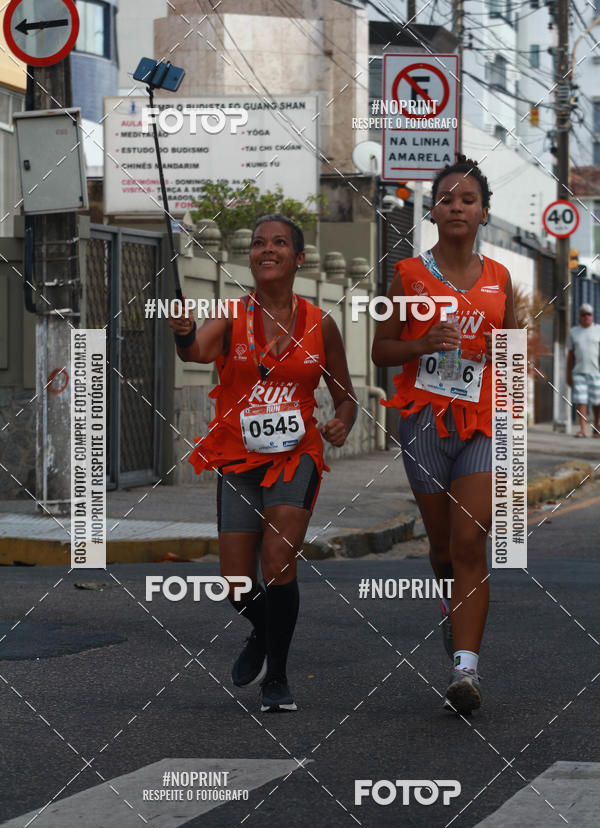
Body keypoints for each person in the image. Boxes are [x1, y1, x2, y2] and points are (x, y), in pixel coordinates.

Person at [169, 214, 356, 712]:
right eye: (257, 243)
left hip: (297, 456)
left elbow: (346, 397)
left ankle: (278, 676)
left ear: (299, 258)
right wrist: (184, 332)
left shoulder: (321, 324)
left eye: (278, 243)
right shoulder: (231, 316)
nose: (266, 249)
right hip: (237, 455)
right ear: (249, 257)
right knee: (235, 582)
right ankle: (261, 630)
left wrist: (342, 421)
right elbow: (194, 352)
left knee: (277, 557)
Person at [372, 156, 518, 715]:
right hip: (425, 424)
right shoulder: (408, 274)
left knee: (467, 544)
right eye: (447, 199)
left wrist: (500, 356)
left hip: (482, 422)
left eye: (468, 199)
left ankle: (466, 672)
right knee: (439, 552)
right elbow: (381, 351)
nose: (457, 207)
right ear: (432, 211)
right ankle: (450, 609)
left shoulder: (501, 278)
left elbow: (509, 352)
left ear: (484, 212)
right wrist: (422, 343)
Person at [566, 302, 600, 437]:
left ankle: (596, 427)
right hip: (578, 372)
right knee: (581, 402)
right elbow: (570, 355)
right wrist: (568, 375)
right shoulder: (573, 333)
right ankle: (583, 429)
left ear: (592, 316)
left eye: (589, 314)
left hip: (596, 371)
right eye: (583, 314)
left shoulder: (598, 330)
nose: (586, 316)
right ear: (579, 316)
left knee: (597, 402)